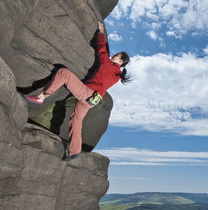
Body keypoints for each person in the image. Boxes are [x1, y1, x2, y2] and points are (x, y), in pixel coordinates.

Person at [24, 22, 131, 161]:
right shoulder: (117, 75)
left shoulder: (108, 65)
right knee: (76, 121)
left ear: (120, 61)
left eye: (117, 55)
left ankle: (41, 96)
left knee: (64, 73)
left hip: (87, 92)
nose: (114, 55)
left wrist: (100, 32)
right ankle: (74, 150)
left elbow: (101, 49)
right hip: (93, 101)